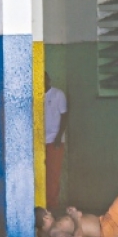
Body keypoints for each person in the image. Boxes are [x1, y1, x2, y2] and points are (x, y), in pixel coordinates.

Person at [45, 72, 68, 210]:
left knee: (53, 174)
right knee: (40, 174)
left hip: (54, 140)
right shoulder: (36, 95)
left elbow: (64, 116)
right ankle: (41, 204)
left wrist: (59, 136)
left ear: (48, 80)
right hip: (39, 141)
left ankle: (52, 205)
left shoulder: (58, 94)